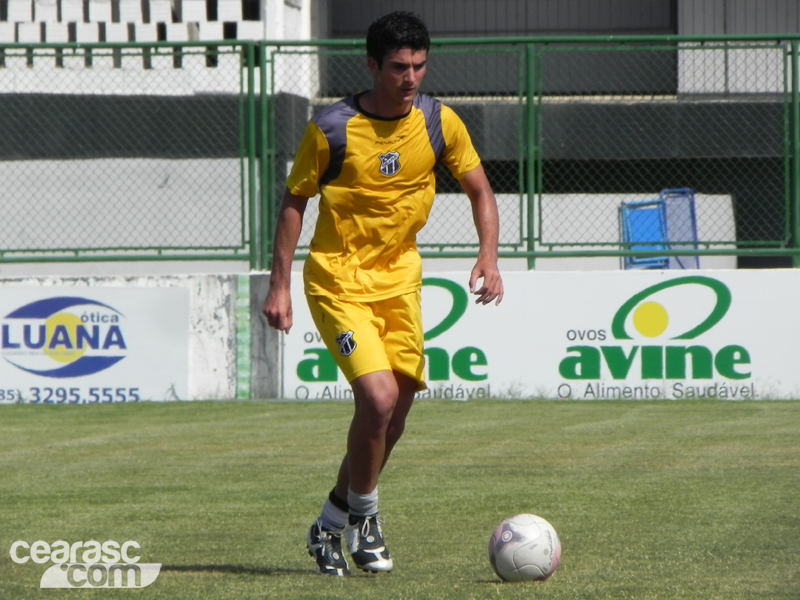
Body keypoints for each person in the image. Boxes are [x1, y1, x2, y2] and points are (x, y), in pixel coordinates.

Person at [262, 11, 504, 576]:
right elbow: (294, 202)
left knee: (392, 417)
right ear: (373, 66)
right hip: (338, 280)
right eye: (398, 67)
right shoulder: (332, 127)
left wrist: (488, 257)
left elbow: (480, 189)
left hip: (401, 282)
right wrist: (280, 287)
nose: (410, 77)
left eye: (419, 65)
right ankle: (366, 518)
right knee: (375, 399)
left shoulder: (441, 123)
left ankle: (328, 526)